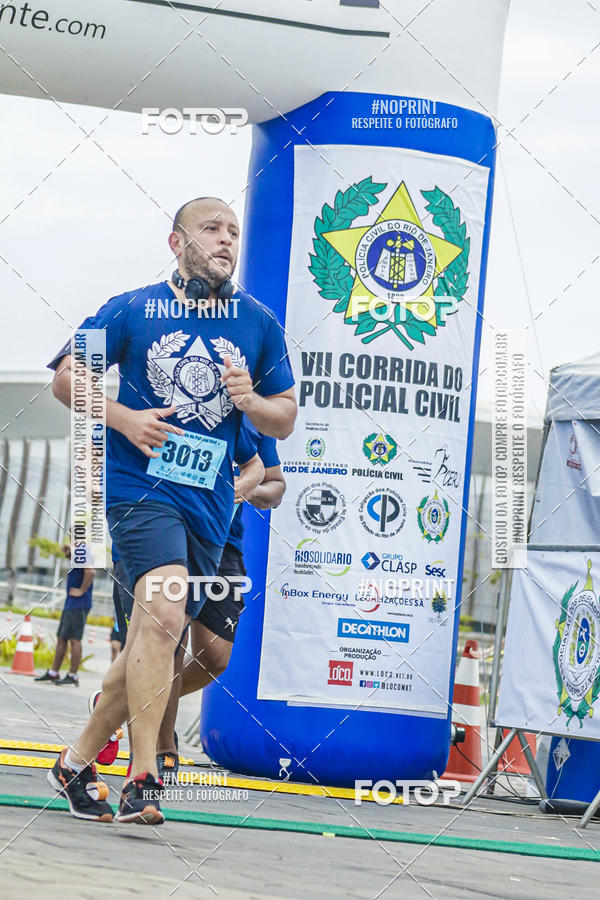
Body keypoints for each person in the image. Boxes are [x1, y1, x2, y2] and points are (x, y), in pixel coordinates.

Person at [46, 196, 296, 825]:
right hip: (141, 490)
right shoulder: (133, 309)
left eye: (233, 232)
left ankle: (78, 759)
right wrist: (125, 418)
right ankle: (144, 777)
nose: (225, 241)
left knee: (184, 646)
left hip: (211, 510)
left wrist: (252, 401)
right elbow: (66, 379)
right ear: (175, 241)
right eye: (211, 229)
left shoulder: (258, 323)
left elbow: (285, 419)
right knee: (162, 611)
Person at [36, 543, 94, 686]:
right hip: (72, 601)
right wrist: (69, 555)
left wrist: (81, 590)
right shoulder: (78, 552)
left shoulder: (83, 550)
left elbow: (90, 572)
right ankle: (54, 673)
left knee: (74, 639)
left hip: (79, 602)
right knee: (62, 637)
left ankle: (73, 675)